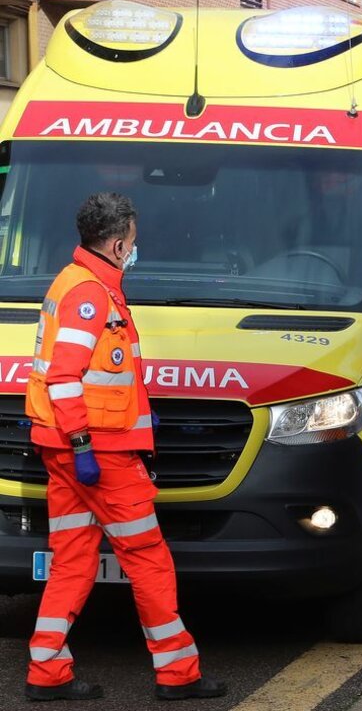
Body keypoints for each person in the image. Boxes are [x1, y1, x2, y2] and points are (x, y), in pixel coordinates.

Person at [23, 193, 226, 702]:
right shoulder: (90, 295)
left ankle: (46, 671)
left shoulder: (77, 283)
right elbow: (66, 379)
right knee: (148, 557)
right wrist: (84, 444)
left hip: (70, 451)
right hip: (98, 455)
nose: (136, 249)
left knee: (71, 558)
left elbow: (98, 373)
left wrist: (136, 410)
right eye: (133, 242)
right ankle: (178, 674)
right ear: (117, 245)